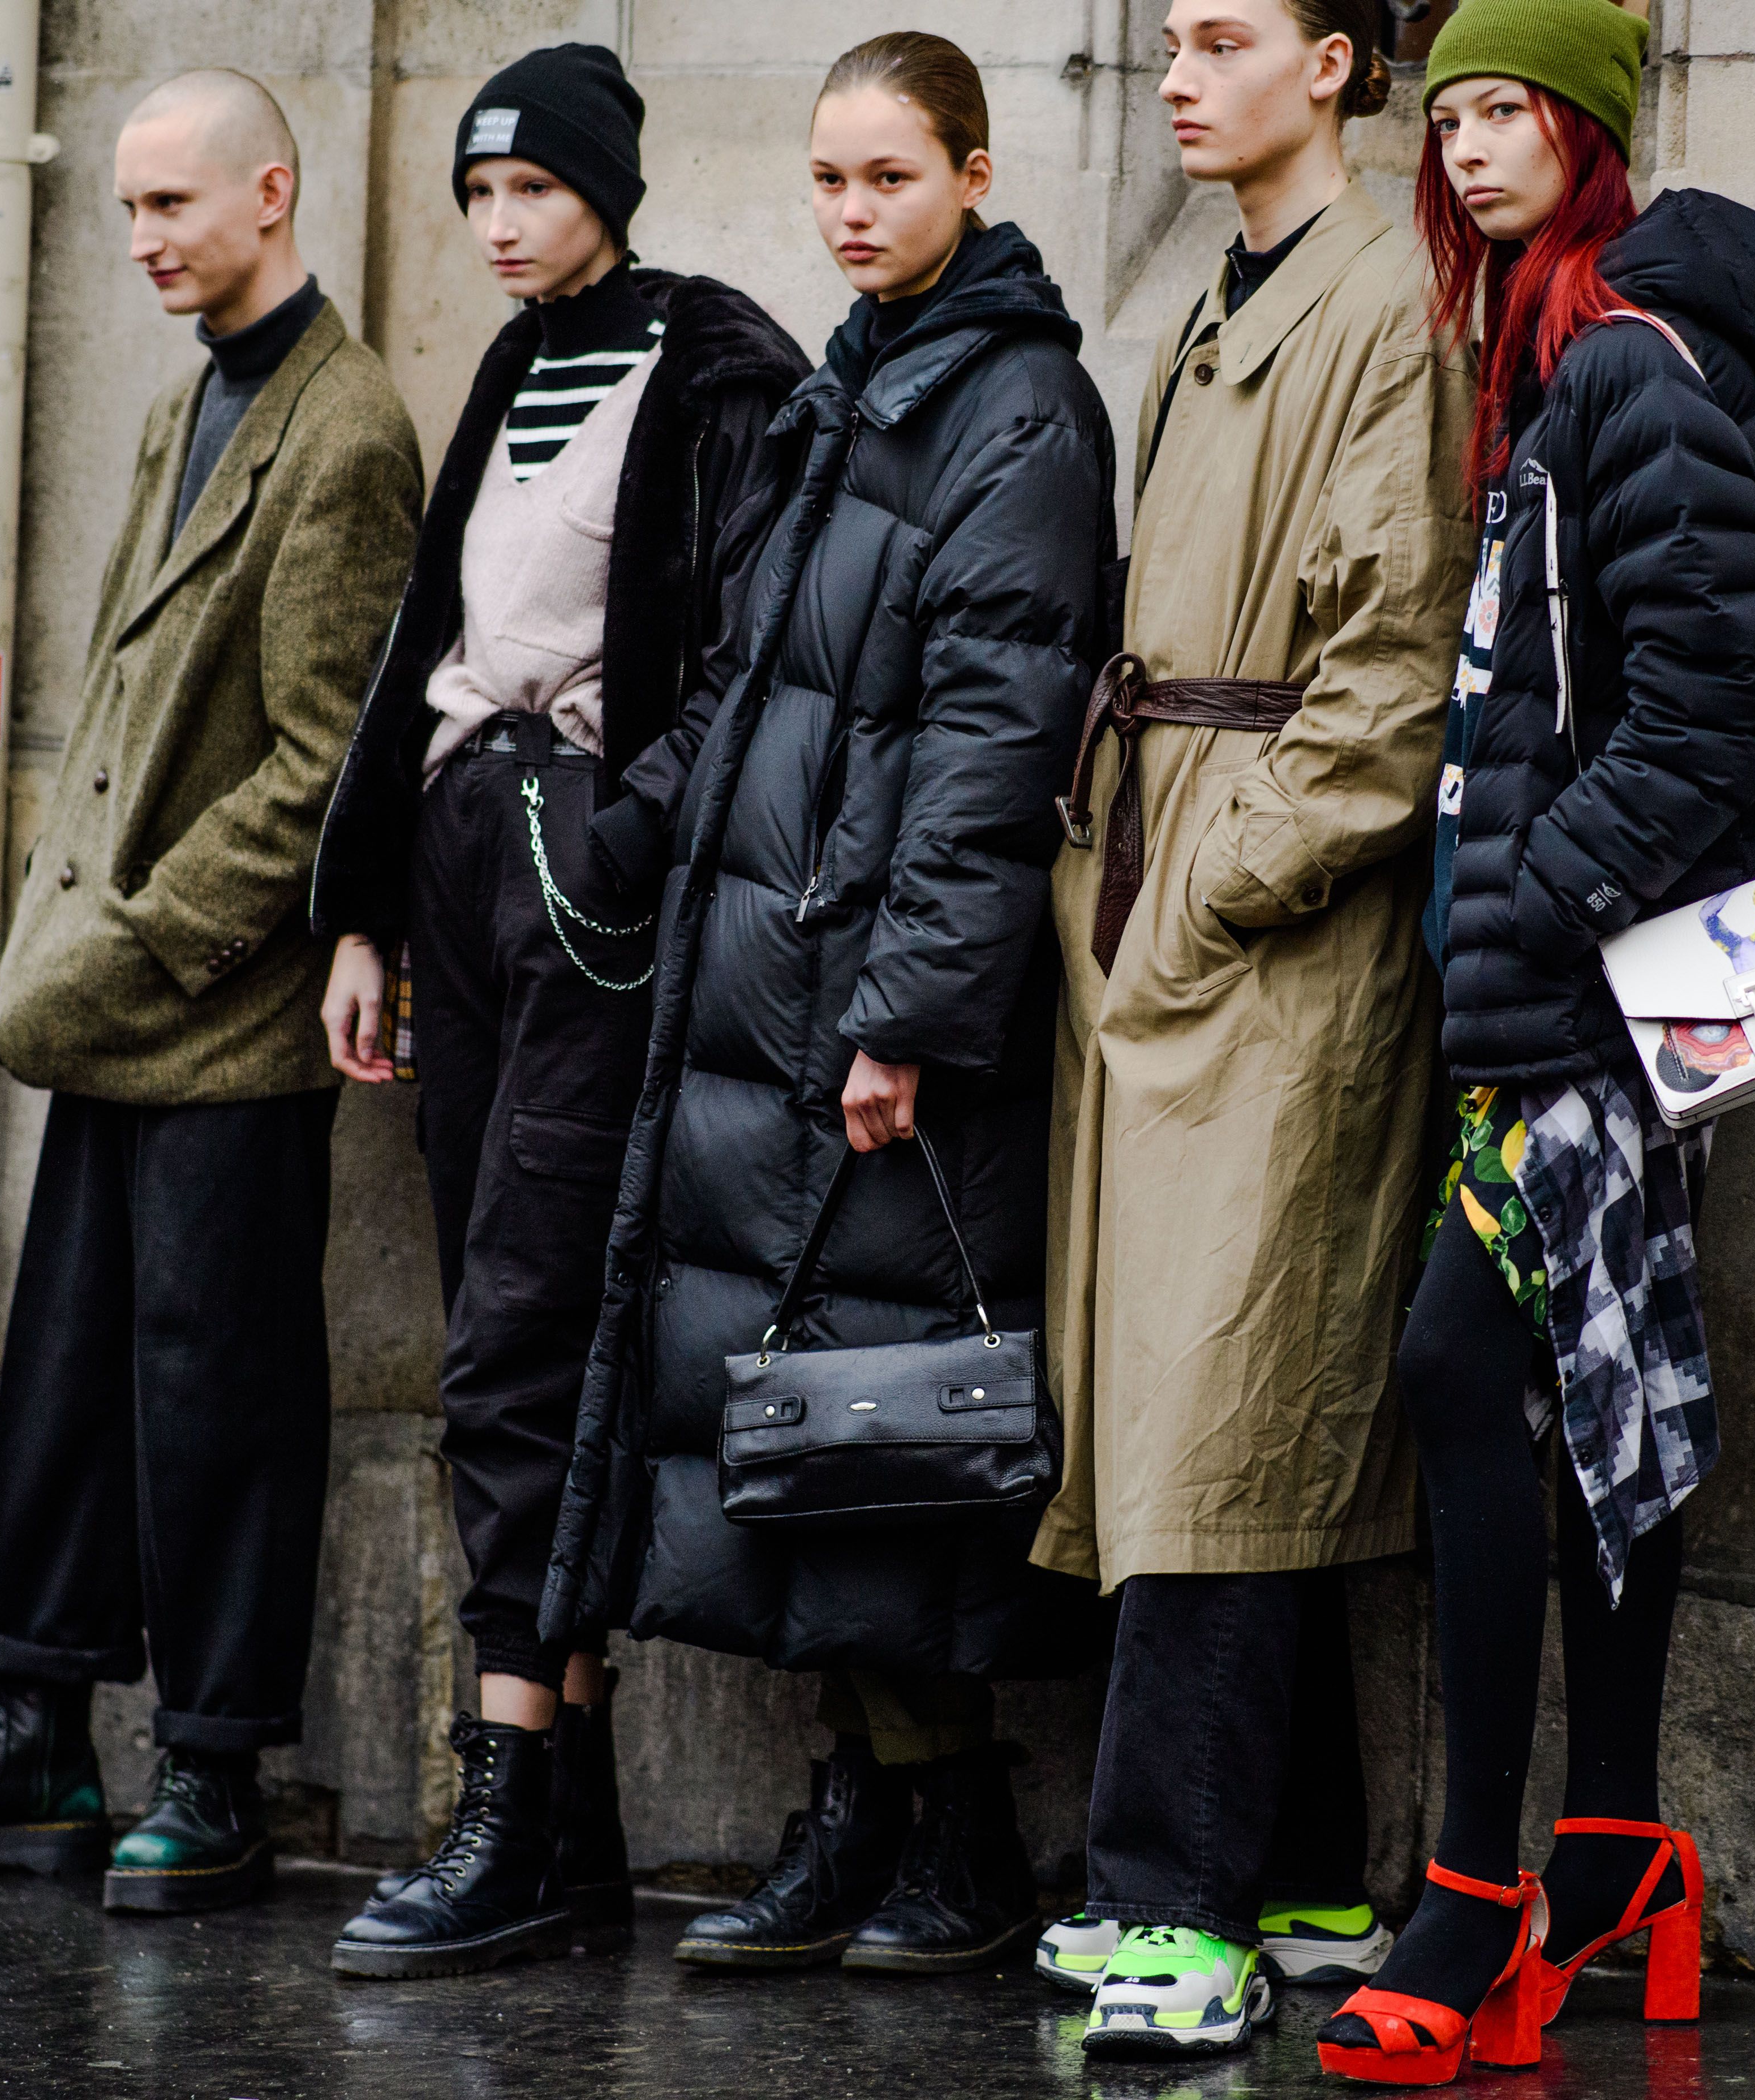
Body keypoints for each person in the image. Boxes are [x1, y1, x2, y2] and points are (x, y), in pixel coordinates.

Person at [0, 70, 421, 1916]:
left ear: (273, 193)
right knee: (67, 1380)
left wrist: (148, 932)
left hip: (217, 1009)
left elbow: (325, 764)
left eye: (176, 207)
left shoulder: (347, 431)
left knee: (219, 1399)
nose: (146, 239)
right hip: (113, 1001)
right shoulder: (184, 412)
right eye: (133, 210)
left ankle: (218, 1769)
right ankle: (37, 1730)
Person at [1313, 0, 1755, 2082]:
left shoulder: (1622, 364)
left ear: (1590, 131)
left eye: (1504, 113)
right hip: (1593, 992)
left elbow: (1724, 695)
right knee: (1587, 1392)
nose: (1462, 150)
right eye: (1441, 118)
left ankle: (1472, 1897)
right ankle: (1618, 1850)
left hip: (1600, 999)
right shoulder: (1577, 363)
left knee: (1464, 1362)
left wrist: (1544, 889)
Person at [540, 31, 1115, 1978]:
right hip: (766, 985)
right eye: (829, 182)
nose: (853, 213)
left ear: (972, 171)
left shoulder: (1019, 403)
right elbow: (760, 674)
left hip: (869, 1008)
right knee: (790, 1417)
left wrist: (909, 1016)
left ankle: (955, 1840)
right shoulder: (856, 376)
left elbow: (993, 736)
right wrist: (634, 850)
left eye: (890, 178)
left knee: (877, 1427)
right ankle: (866, 1814)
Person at [304, 42, 806, 1980]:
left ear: (608, 184)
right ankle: (559, 1812)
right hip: (465, 859)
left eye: (530, 193)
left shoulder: (715, 363)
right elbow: (419, 643)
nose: (500, 229)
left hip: (585, 877)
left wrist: (624, 840)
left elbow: (750, 662)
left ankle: (505, 1796)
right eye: (477, 201)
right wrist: (364, 907)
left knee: (538, 1316)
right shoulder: (512, 367)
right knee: (494, 1308)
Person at [1034, 0, 1473, 2059]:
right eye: (1174, 39)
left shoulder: (1390, 309)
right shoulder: (1231, 295)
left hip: (1266, 931)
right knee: (1185, 1398)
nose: (1181, 75)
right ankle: (1300, 1876)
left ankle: (1173, 1916)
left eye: (1224, 37)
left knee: (1220, 1405)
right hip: (1164, 893)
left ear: (1336, 64)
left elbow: (1387, 686)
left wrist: (1206, 894)